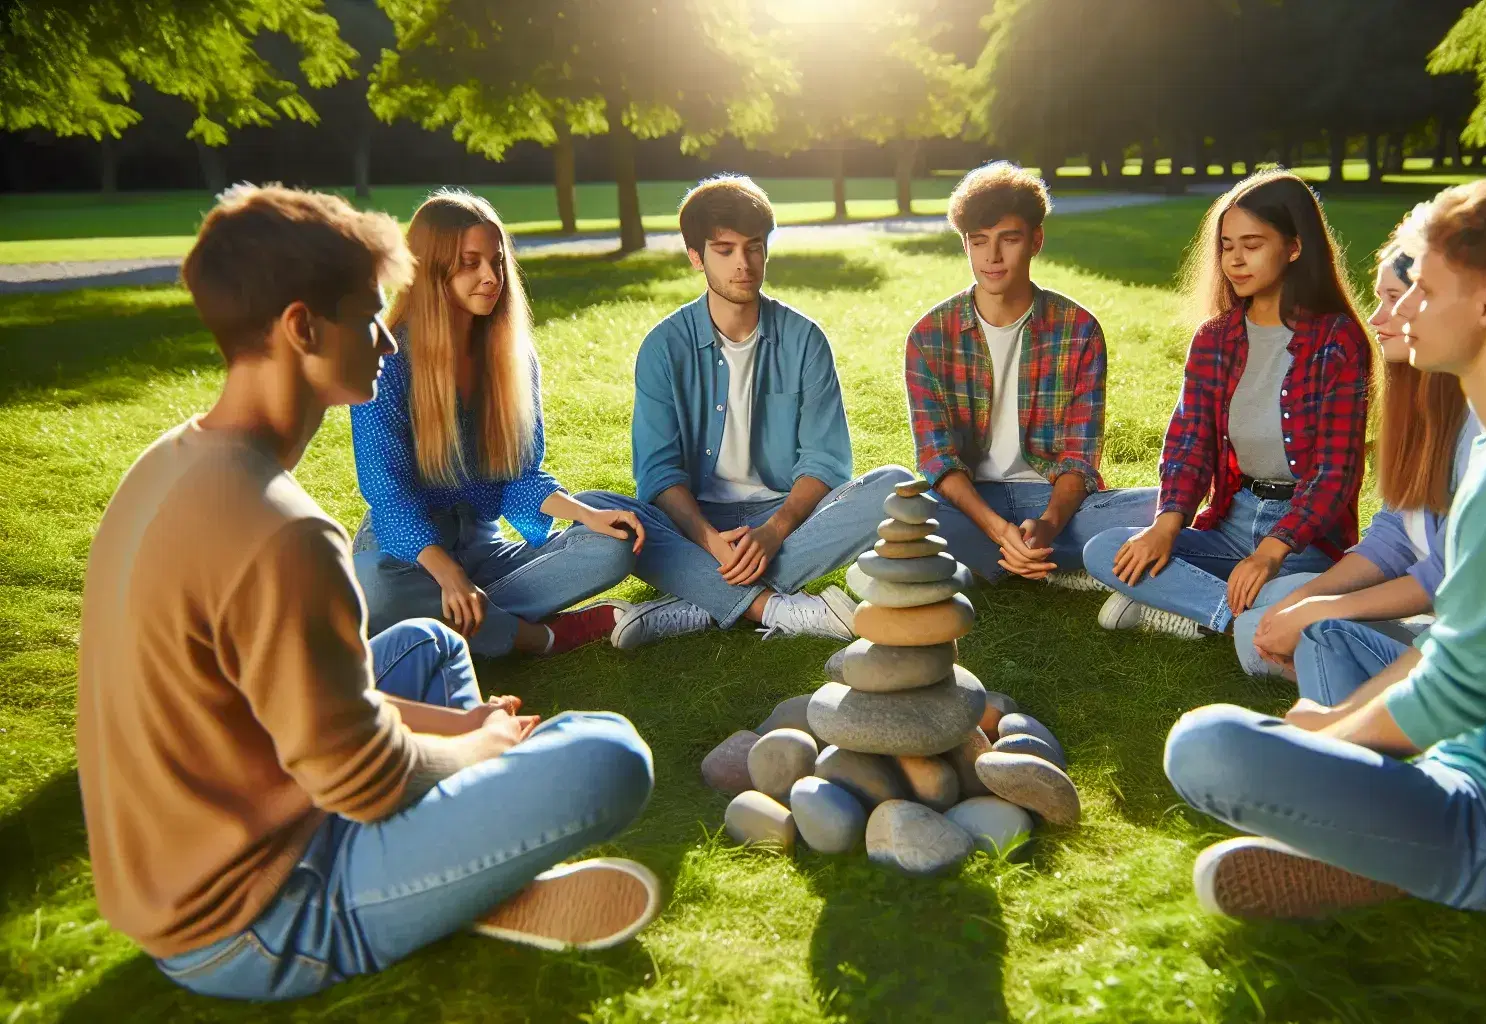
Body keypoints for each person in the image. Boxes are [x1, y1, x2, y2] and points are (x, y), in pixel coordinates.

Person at [77, 185, 660, 1002]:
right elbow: (365, 779)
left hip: (187, 866)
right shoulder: (283, 531)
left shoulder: (173, 461)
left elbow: (287, 711)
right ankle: (456, 880)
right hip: (259, 918)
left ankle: (454, 875)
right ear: (302, 329)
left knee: (428, 646)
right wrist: (481, 749)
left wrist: (462, 721)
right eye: (369, 315)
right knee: (610, 754)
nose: (388, 339)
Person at [1162, 168, 1486, 922]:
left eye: (1424, 292)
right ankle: (1383, 849)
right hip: (1485, 765)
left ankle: (1411, 862)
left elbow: (1456, 688)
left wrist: (1331, 738)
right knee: (1291, 709)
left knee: (1205, 745)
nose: (1403, 309)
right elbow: (1454, 648)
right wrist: (1324, 717)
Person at [598, 174, 910, 648]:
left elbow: (825, 461)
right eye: (724, 250)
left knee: (894, 489)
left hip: (782, 514)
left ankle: (698, 601)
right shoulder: (663, 348)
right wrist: (708, 540)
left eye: (754, 247)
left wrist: (773, 532)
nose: (743, 264)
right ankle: (775, 607)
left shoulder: (805, 339)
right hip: (694, 519)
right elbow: (659, 473)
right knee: (606, 512)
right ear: (695, 256)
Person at [351, 190, 644, 658]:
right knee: (376, 593)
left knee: (616, 544)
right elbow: (387, 494)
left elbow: (520, 477)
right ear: (431, 268)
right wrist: (447, 574)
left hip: (485, 549)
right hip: (406, 557)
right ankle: (538, 635)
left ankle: (459, 620)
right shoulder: (388, 361)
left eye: (497, 261)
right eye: (470, 263)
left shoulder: (512, 357)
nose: (492, 278)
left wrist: (587, 516)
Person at [1084, 169, 1371, 638]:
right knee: (1107, 550)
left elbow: (1336, 473)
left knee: (1291, 586)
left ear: (1294, 248)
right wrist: (1165, 525)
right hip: (1231, 523)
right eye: (1226, 245)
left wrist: (1272, 551)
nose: (1234, 260)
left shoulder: (1336, 341)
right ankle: (1234, 619)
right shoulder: (1215, 339)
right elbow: (1190, 443)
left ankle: (1186, 605)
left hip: (1303, 540)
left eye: (1252, 245)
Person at [1232, 210, 1483, 699]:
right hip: (1435, 617)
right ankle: (1338, 664)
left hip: (1465, 637)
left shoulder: (1482, 430)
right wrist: (1307, 597)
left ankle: (1344, 678)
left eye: (1397, 299)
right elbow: (1393, 537)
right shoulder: (1416, 409)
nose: (1376, 318)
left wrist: (1318, 611)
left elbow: (1445, 576)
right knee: (1269, 614)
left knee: (1310, 631)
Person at [905, 161, 1157, 587]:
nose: (993, 257)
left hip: (1053, 500)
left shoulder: (1079, 331)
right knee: (893, 507)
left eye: (1009, 239)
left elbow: (1078, 459)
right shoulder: (928, 337)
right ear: (965, 245)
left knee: (1163, 511)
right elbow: (938, 460)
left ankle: (1007, 560)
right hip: (971, 502)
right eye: (979, 241)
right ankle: (1066, 564)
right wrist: (996, 527)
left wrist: (1048, 524)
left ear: (1036, 240)